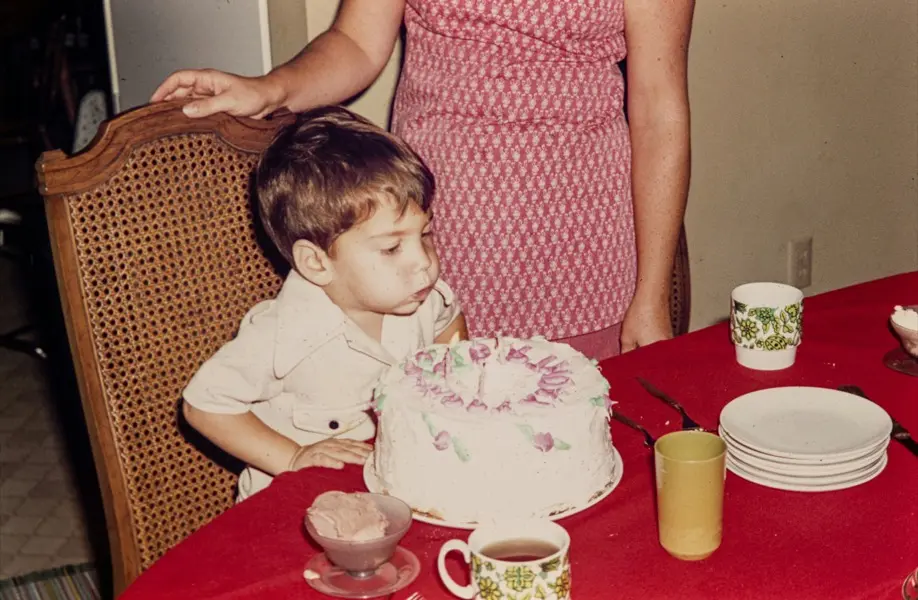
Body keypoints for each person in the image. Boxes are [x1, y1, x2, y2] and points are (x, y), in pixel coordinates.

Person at [153, 0, 693, 361]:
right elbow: (357, 43)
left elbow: (658, 107)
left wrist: (650, 297)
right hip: (426, 238)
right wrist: (271, 88)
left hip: (580, 254)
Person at [182, 106, 467, 500]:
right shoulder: (280, 337)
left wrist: (447, 377)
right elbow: (202, 404)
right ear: (316, 263)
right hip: (298, 504)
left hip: (390, 485)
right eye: (392, 247)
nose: (423, 262)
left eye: (426, 234)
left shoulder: (421, 298)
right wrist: (293, 457)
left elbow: (449, 322)